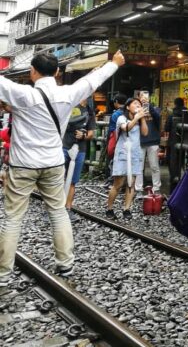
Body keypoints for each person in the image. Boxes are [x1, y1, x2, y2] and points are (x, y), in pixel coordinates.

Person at [0, 50, 124, 284]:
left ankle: (3, 274)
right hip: (54, 163)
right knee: (58, 212)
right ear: (57, 72)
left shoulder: (21, 93)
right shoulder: (68, 93)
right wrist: (114, 63)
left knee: (12, 218)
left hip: (23, 165)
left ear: (32, 72)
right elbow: (92, 80)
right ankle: (65, 264)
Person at [106, 97, 148, 220]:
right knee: (118, 184)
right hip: (122, 154)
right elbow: (126, 128)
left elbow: (145, 133)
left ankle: (127, 209)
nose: (138, 105)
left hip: (135, 154)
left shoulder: (139, 119)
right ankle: (109, 208)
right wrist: (136, 118)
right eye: (135, 103)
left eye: (139, 104)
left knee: (131, 183)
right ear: (128, 107)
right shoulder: (121, 118)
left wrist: (143, 118)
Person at [63, 98, 96, 222]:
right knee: (58, 179)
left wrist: (84, 135)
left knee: (72, 181)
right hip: (63, 146)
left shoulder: (89, 111)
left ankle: (68, 208)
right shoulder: (69, 106)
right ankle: (53, 209)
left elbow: (91, 133)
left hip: (80, 149)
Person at [134, 90, 162, 194]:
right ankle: (138, 189)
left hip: (153, 141)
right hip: (140, 141)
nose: (143, 98)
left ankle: (156, 187)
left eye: (145, 96)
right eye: (141, 96)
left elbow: (158, 118)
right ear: (138, 97)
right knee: (139, 167)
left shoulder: (155, 108)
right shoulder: (135, 109)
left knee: (154, 166)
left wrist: (148, 106)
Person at [166, 97, 188, 185]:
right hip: (187, 142)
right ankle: (185, 181)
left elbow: (167, 128)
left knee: (174, 163)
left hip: (173, 142)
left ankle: (174, 180)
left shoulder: (171, 115)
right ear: (183, 104)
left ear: (175, 104)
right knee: (185, 162)